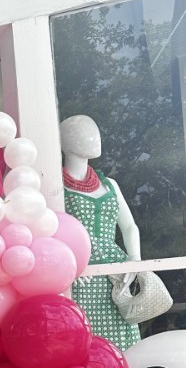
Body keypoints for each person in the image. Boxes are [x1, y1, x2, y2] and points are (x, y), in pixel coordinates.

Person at [59, 114, 142, 355]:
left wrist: (134, 261)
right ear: (65, 142)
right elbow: (50, 230)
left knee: (125, 344)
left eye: (95, 131)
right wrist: (68, 268)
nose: (95, 137)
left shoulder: (110, 185)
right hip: (82, 275)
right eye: (85, 132)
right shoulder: (56, 187)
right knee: (88, 341)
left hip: (116, 276)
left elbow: (129, 227)